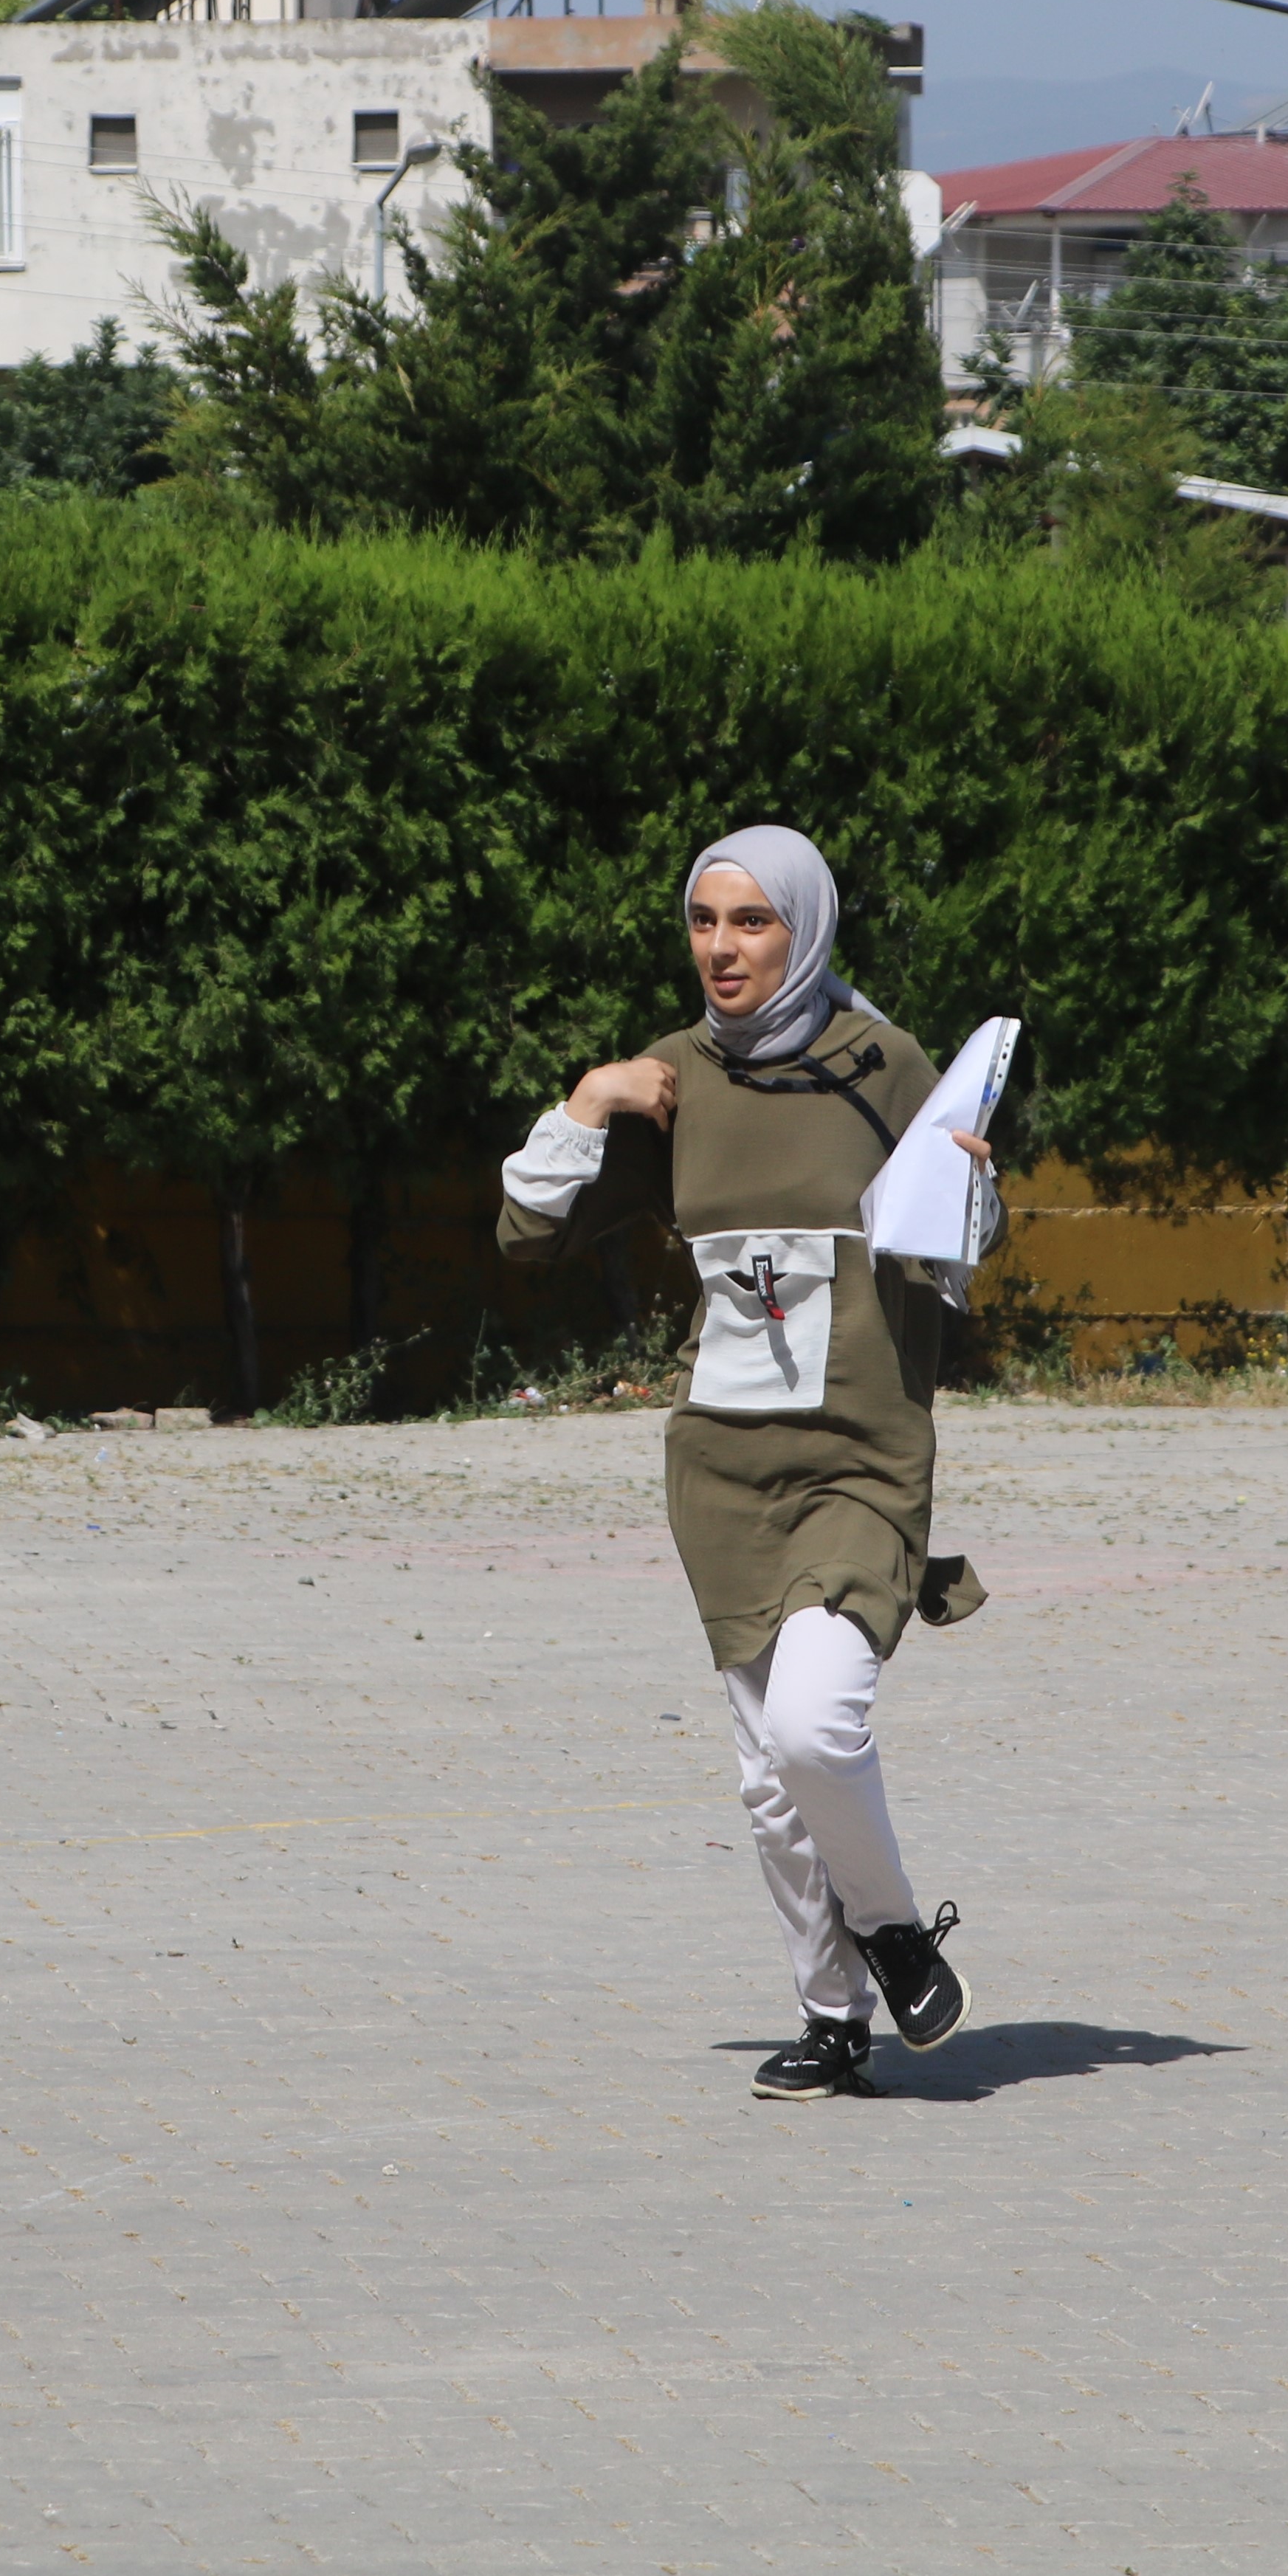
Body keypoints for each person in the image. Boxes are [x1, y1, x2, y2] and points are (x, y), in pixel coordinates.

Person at [495, 825, 995, 2100]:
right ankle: (831, 2018)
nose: (723, 948)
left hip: (862, 1454)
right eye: (705, 923)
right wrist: (588, 1102)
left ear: (806, 928)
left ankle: (889, 1934)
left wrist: (976, 1194)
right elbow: (525, 1236)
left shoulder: (886, 1067)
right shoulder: (672, 1076)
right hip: (723, 1468)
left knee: (817, 1728)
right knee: (769, 1779)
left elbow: (958, 1253)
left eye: (752, 922)